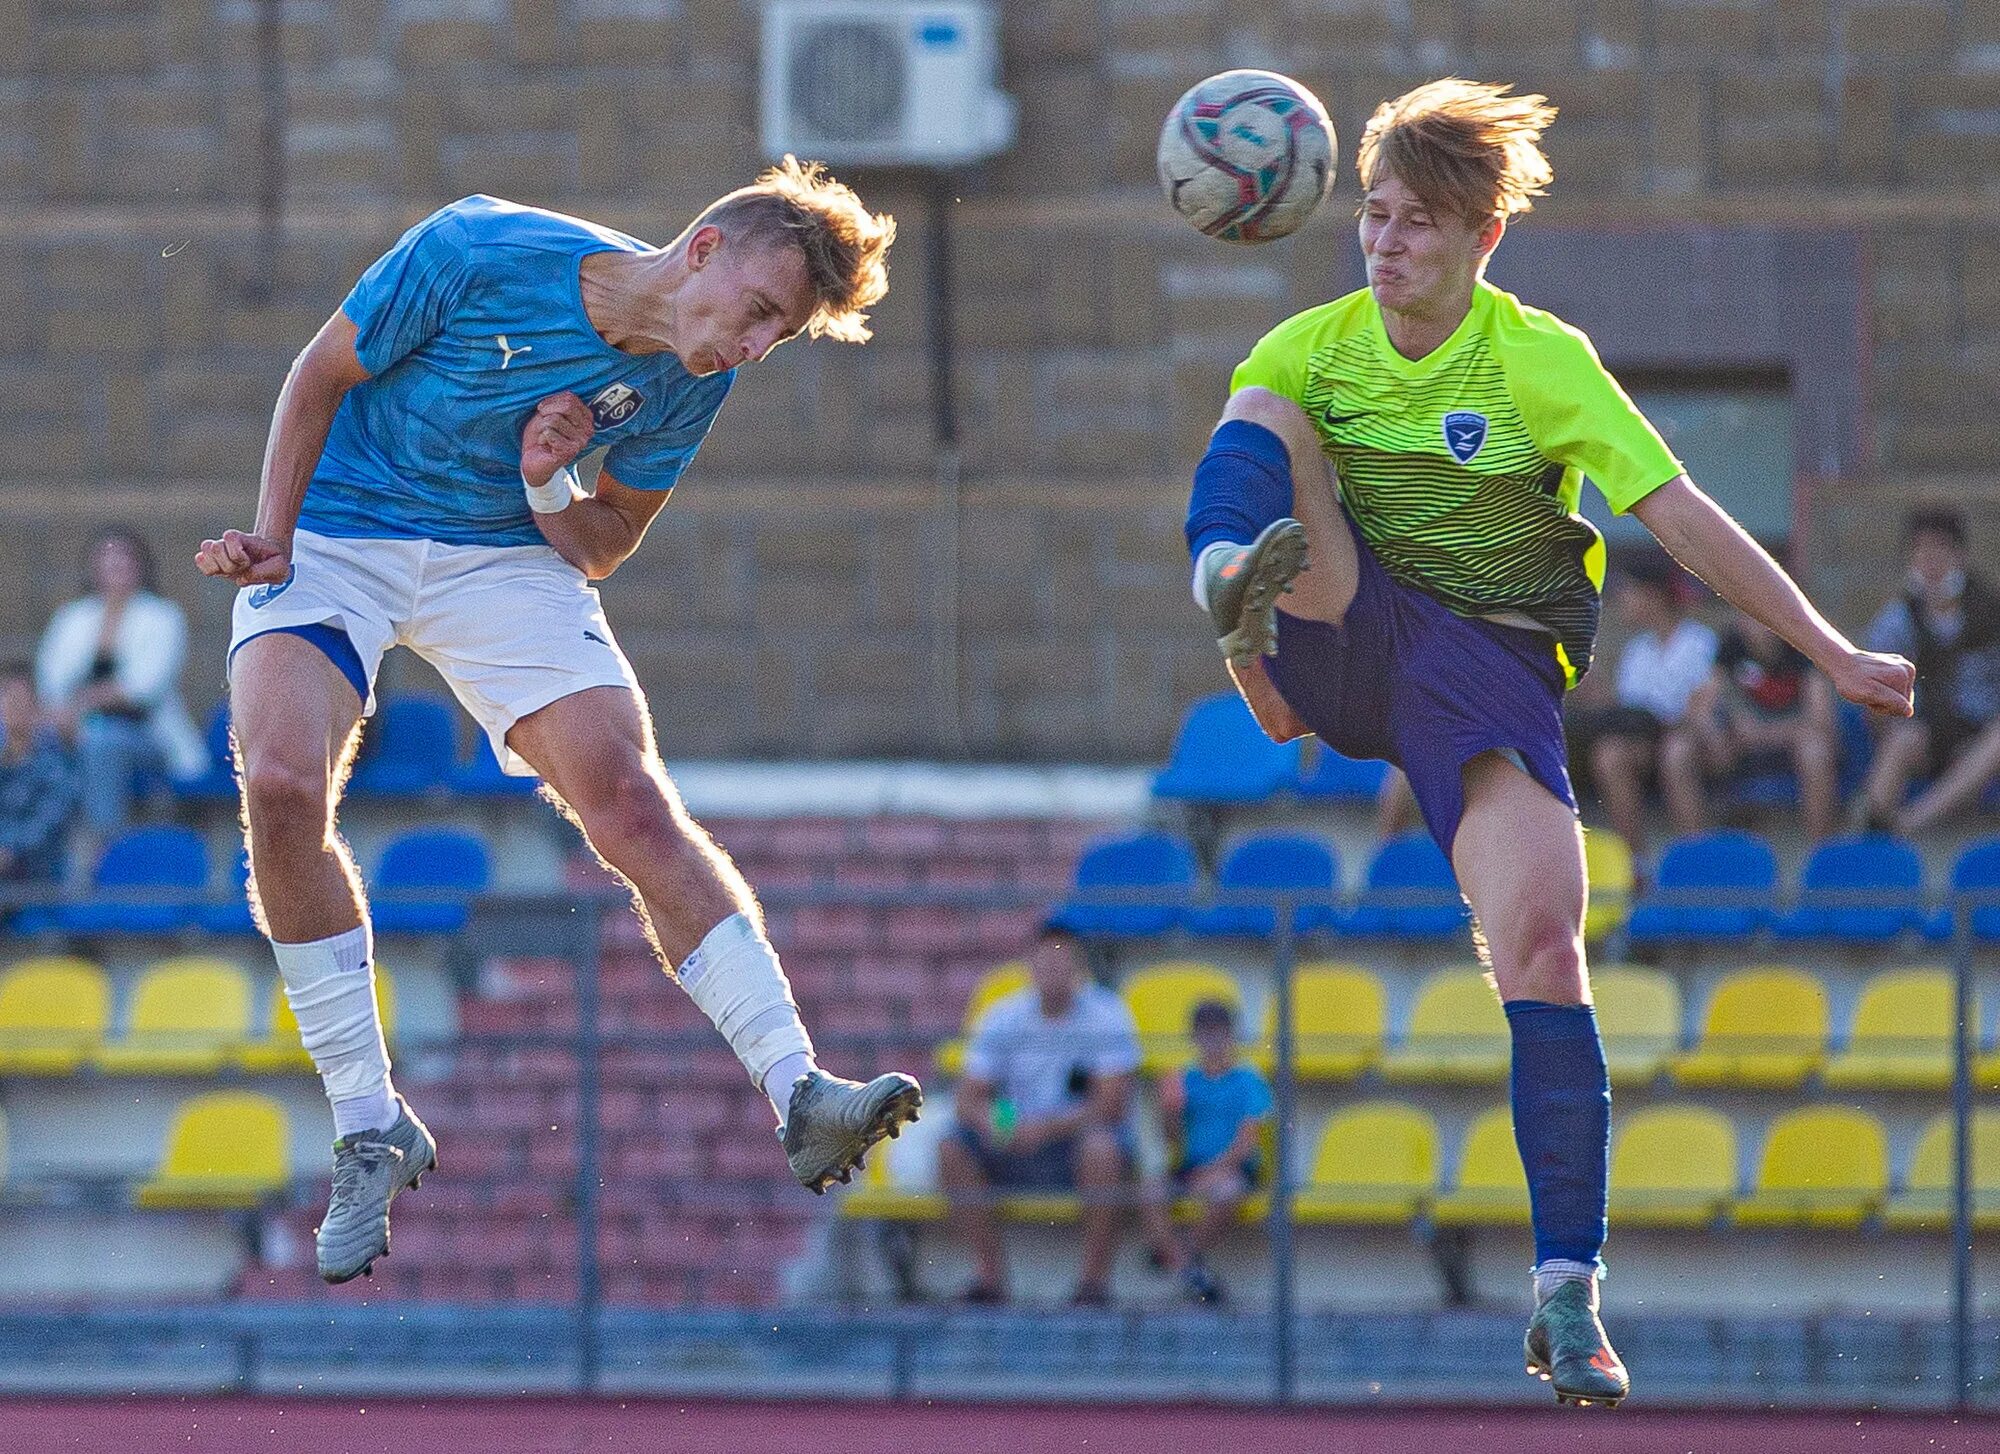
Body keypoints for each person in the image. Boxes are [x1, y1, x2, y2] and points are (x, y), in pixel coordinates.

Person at [1181, 79, 1914, 1405]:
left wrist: (1829, 649)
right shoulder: (1314, 344)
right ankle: (1229, 592)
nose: (1386, 242)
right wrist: (1249, 616)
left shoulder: (1538, 360)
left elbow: (1683, 517)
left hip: (1490, 673)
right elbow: (1268, 424)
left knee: (1546, 946)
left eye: (1418, 223)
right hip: (1347, 626)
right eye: (1376, 215)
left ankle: (1565, 1291)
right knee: (1268, 418)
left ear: (1482, 238)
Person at [192, 163, 920, 1285]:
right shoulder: (477, 248)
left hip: (502, 555)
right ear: (703, 250)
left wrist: (543, 485)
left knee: (629, 796)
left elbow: (606, 538)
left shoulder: (692, 374)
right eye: (764, 314)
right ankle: (367, 1121)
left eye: (782, 336)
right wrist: (273, 535)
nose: (757, 347)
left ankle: (799, 1087)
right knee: (283, 783)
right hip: (340, 526)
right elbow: (318, 373)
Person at [938, 924, 1140, 1306]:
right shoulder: (1003, 1016)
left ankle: (1093, 1285)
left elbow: (1112, 1103)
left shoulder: (1107, 1013)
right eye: (1046, 962)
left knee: (1102, 1147)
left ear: (1079, 967)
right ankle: (989, 1280)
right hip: (1016, 1137)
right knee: (952, 1148)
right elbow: (968, 1097)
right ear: (1030, 965)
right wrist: (1004, 1124)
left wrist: (1045, 1128)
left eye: (1062, 963)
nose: (1053, 972)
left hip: (1073, 1143)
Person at [35, 529, 209, 863]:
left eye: (123, 557)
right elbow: (51, 683)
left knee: (103, 742)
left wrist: (81, 705)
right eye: (105, 557)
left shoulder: (163, 616)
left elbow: (144, 688)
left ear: (141, 565)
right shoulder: (73, 617)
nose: (114, 565)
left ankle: (105, 850)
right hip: (73, 730)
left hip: (146, 734)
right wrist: (70, 713)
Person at [1856, 507, 2000, 835]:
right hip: (1925, 731)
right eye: (1920, 549)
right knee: (1902, 740)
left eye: (1939, 548)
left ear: (1959, 555)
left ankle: (1908, 824)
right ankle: (1871, 831)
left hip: (1980, 734)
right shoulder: (1899, 619)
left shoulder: (1991, 613)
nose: (1930, 560)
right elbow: (1871, 686)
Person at [1583, 556, 1717, 859]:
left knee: (1676, 752)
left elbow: (1702, 709)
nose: (1621, 601)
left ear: (1652, 595)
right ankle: (1634, 864)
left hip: (1698, 743)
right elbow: (1629, 712)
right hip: (1651, 742)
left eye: (1627, 591)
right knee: (1609, 754)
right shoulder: (1637, 650)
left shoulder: (1699, 641)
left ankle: (1696, 859)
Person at [1138, 998, 1270, 1306]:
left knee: (1228, 1190)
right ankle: (1192, 1272)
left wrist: (1212, 1171)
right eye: (1205, 1033)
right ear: (1195, 1037)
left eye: (1219, 1033)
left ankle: (1176, 1256)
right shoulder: (1185, 1079)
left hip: (1231, 1168)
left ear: (1232, 1035)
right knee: (1148, 1190)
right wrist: (1169, 1110)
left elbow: (1247, 1142)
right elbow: (1172, 1139)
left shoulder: (1248, 1080)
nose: (1212, 1041)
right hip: (1192, 1167)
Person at [1673, 612, 1840, 842]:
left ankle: (1821, 853)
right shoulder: (1732, 643)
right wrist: (1713, 731)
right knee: (1678, 750)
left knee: (1815, 751)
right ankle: (1696, 851)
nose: (1756, 623)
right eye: (1747, 615)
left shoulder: (1805, 642)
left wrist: (1761, 733)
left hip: (1791, 742)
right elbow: (1701, 706)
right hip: (1743, 746)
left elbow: (1822, 722)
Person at [0, 661, 78, 886]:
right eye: (5, 699)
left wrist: (6, 848)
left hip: (36, 876)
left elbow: (45, 826)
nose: (11, 707)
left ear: (36, 707)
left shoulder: (57, 766)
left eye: (19, 700)